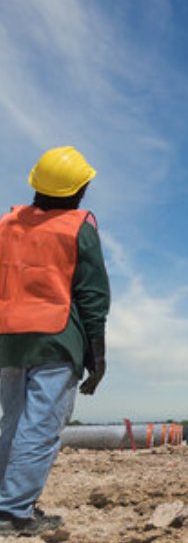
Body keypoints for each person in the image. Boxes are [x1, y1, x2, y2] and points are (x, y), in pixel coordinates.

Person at [0, 146, 110, 536]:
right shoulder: (77, 227)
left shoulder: (6, 224)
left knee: (13, 422)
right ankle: (13, 511)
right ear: (79, 189)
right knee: (41, 427)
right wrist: (97, 354)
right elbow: (92, 294)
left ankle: (6, 502)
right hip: (55, 337)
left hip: (8, 340)